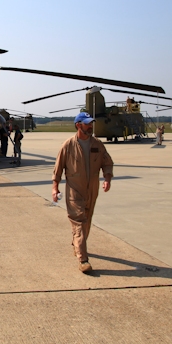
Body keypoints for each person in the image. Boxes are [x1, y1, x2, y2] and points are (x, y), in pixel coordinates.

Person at [51, 112, 113, 274]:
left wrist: (107, 178)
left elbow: (107, 163)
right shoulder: (68, 145)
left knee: (87, 219)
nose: (90, 126)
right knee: (78, 220)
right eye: (87, 124)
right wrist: (55, 187)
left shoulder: (97, 144)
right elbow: (58, 168)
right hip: (74, 189)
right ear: (78, 125)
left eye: (91, 123)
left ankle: (77, 244)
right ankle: (83, 259)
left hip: (92, 189)